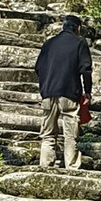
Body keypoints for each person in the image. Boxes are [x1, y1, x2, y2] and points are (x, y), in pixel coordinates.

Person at [34, 14, 92, 169]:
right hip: (69, 92)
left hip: (49, 92)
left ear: (63, 27)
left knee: (48, 134)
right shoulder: (79, 42)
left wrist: (45, 87)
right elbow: (86, 69)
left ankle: (46, 166)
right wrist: (87, 91)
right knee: (70, 133)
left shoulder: (49, 43)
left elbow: (38, 68)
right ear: (78, 28)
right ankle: (72, 167)